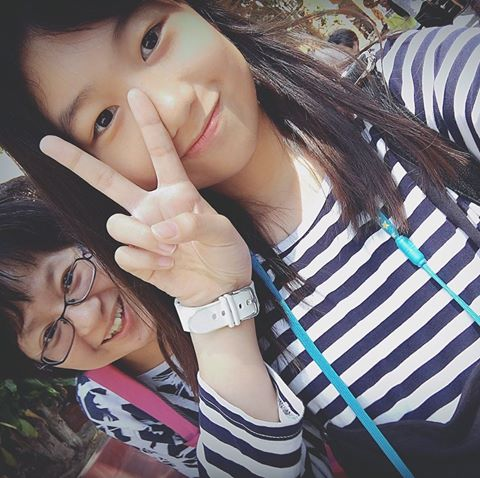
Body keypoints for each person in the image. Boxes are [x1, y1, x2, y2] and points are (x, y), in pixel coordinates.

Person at [0, 1, 479, 476]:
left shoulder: (409, 89)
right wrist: (219, 314)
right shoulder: (227, 313)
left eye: (150, 40)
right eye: (104, 119)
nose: (173, 105)